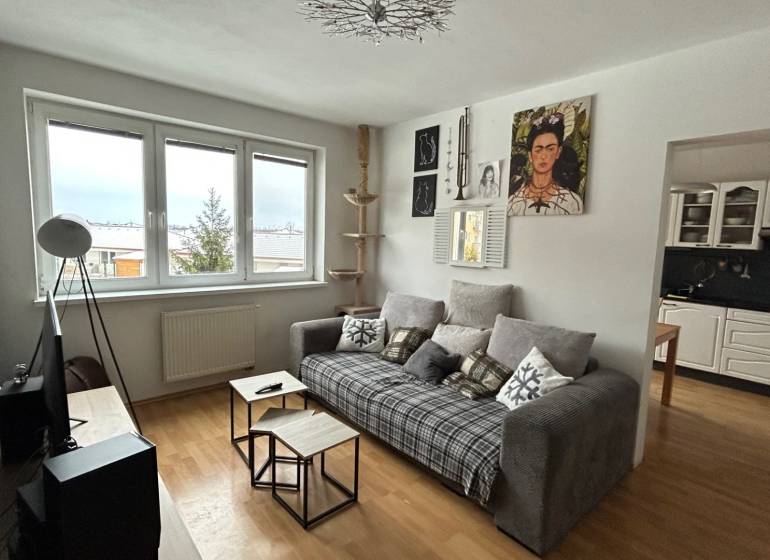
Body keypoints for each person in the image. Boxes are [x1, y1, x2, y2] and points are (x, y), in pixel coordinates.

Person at [507, 112, 583, 216]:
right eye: (538, 150)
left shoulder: (572, 202)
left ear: (558, 152)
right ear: (530, 155)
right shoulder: (513, 202)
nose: (543, 156)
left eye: (550, 149)